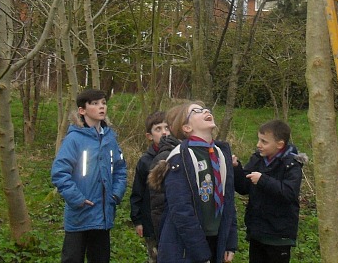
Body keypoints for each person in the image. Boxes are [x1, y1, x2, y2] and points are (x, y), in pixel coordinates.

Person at [149, 102, 238, 263]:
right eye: (196, 111)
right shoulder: (180, 157)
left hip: (216, 241)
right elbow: (181, 210)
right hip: (185, 247)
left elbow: (229, 201)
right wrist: (201, 253)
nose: (205, 111)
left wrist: (229, 242)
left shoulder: (221, 154)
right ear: (187, 128)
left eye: (205, 109)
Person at [51, 88, 128, 263]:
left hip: (104, 215)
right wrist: (77, 199)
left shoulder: (110, 138)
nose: (101, 107)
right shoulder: (74, 139)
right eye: (94, 103)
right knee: (72, 258)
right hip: (79, 215)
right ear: (82, 110)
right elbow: (59, 173)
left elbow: (120, 169)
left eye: (103, 103)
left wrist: (115, 194)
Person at [232, 119, 307, 263]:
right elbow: (243, 188)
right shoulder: (257, 159)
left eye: (264, 142)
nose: (258, 145)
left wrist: (263, 180)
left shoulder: (291, 165)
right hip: (257, 232)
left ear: (280, 144)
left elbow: (289, 193)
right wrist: (236, 168)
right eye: (259, 140)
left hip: (279, 235)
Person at [130, 111, 171, 263]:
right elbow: (137, 192)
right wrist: (138, 220)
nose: (164, 132)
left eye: (167, 127)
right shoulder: (145, 161)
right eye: (158, 129)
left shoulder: (178, 155)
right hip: (151, 222)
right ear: (150, 136)